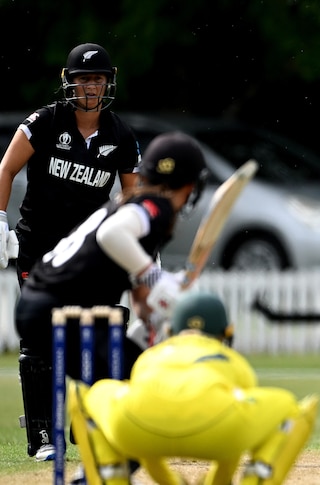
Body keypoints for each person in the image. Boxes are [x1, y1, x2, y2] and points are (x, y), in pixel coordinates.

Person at [14, 131, 207, 463]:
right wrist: (156, 277)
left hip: (43, 306)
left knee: (133, 373)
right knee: (136, 401)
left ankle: (92, 425)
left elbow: (132, 277)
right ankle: (96, 430)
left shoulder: (130, 205)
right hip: (59, 309)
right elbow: (111, 235)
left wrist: (152, 311)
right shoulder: (154, 205)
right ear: (188, 185)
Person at [67, 291, 320, 485]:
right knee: (291, 408)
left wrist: (169, 481)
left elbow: (148, 440)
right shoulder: (232, 360)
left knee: (92, 395)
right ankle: (257, 478)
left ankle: (111, 477)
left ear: (170, 330)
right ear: (227, 333)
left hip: (135, 427)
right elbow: (234, 437)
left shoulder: (151, 356)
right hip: (219, 429)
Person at [0, 42, 141, 287]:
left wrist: (141, 241)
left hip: (88, 247)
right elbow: (6, 169)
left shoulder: (122, 135)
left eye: (98, 79)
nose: (91, 87)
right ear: (69, 81)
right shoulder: (45, 122)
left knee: (87, 320)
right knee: (43, 320)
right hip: (37, 245)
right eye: (83, 79)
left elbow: (133, 196)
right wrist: (0, 219)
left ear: (109, 81)